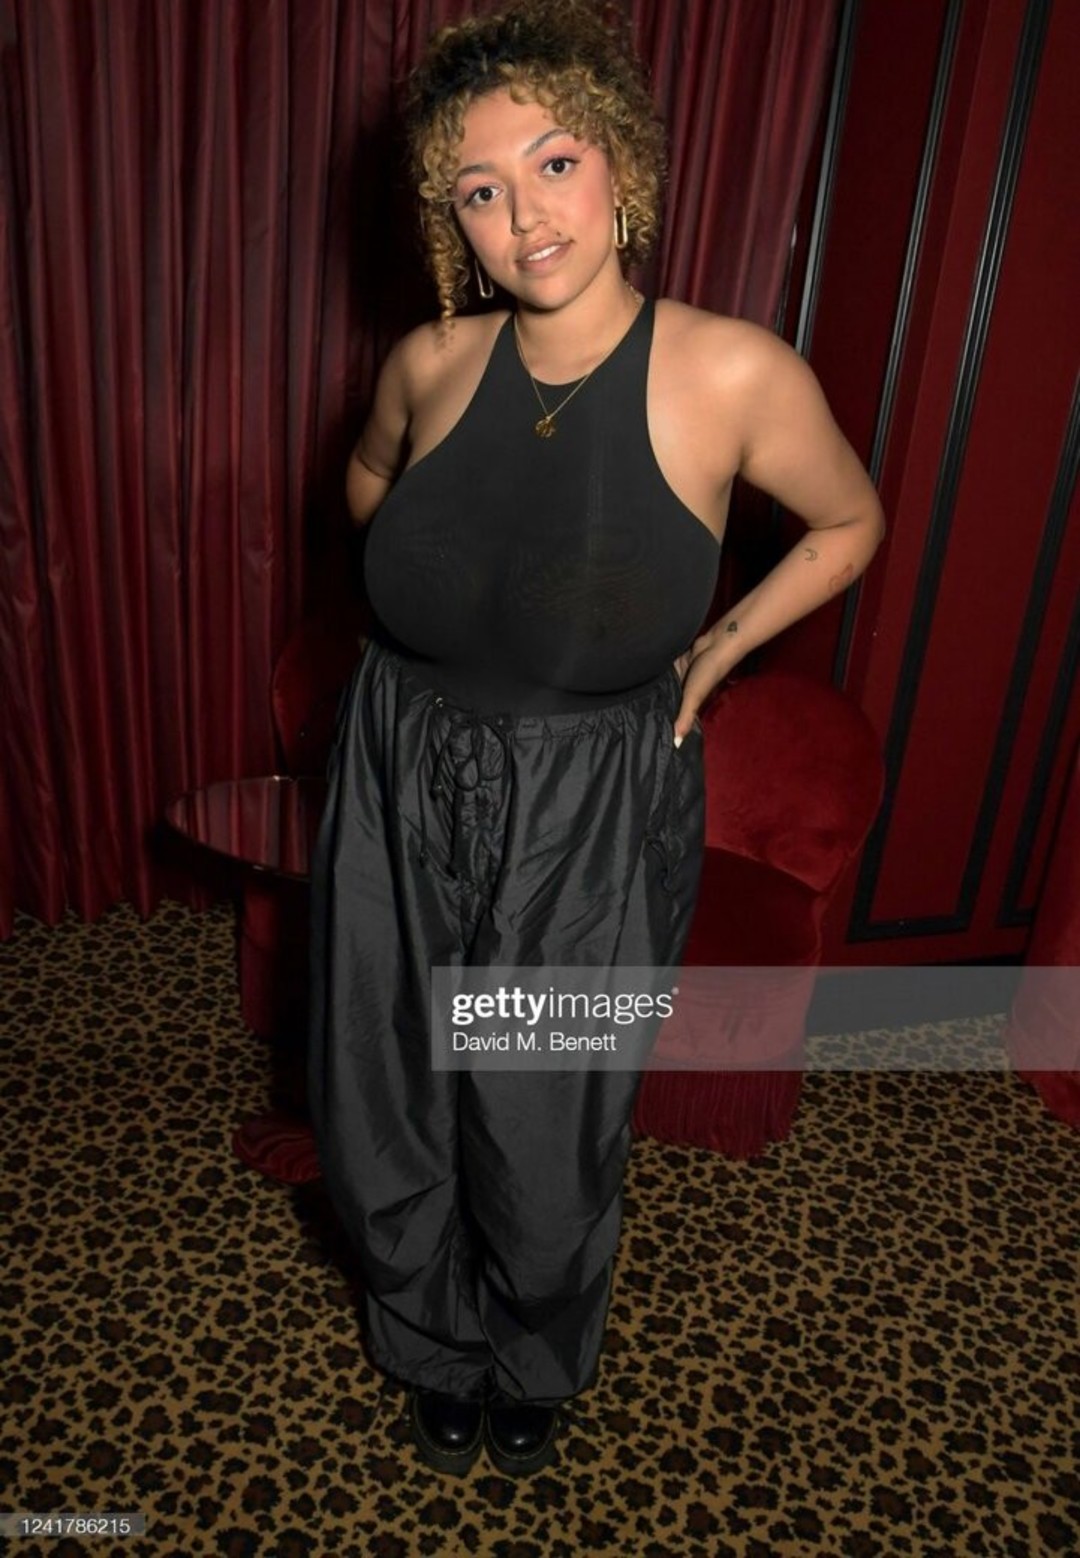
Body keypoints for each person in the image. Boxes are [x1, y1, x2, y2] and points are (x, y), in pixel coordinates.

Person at [307, 0, 884, 1480]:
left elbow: (849, 520)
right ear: (451, 219)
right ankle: (427, 1338)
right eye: (480, 189)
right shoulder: (430, 361)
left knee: (539, 1113)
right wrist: (445, 587)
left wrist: (716, 649)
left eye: (553, 163)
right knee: (385, 1086)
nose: (524, 217)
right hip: (398, 766)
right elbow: (367, 484)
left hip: (585, 805)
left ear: (619, 159)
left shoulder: (734, 372)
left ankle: (532, 1350)